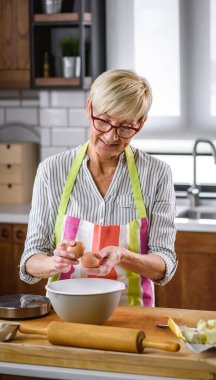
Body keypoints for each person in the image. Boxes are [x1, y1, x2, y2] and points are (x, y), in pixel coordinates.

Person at [20, 69, 178, 306]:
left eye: (125, 127)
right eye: (103, 121)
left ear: (141, 123)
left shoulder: (157, 174)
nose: (111, 136)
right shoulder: (51, 171)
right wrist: (55, 261)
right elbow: (30, 261)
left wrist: (122, 255)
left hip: (131, 315)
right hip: (65, 313)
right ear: (89, 108)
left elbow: (164, 266)